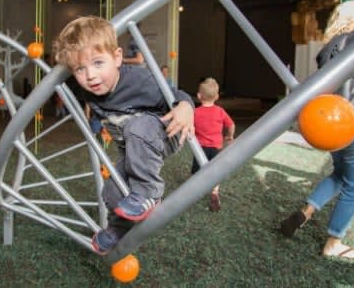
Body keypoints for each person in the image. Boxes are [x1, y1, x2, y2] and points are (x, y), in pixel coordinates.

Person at [53, 16, 195, 255]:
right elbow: (59, 74)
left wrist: (186, 107)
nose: (90, 76)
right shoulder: (87, 88)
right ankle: (118, 229)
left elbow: (175, 94)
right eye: (80, 69)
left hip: (163, 133)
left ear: (117, 57)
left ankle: (149, 190)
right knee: (112, 190)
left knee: (137, 127)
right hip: (132, 148)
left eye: (98, 63)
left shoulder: (138, 81)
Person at [279, 0, 354, 259]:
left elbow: (346, 89)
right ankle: (334, 242)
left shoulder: (329, 49)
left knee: (340, 174)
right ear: (352, 19)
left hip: (334, 127)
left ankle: (306, 212)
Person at [191, 77, 235, 212]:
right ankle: (215, 192)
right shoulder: (220, 111)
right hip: (216, 147)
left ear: (198, 96)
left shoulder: (195, 112)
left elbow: (190, 127)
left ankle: (194, 192)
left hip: (200, 148)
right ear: (216, 96)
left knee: (196, 171)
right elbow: (231, 124)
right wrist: (230, 136)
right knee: (215, 171)